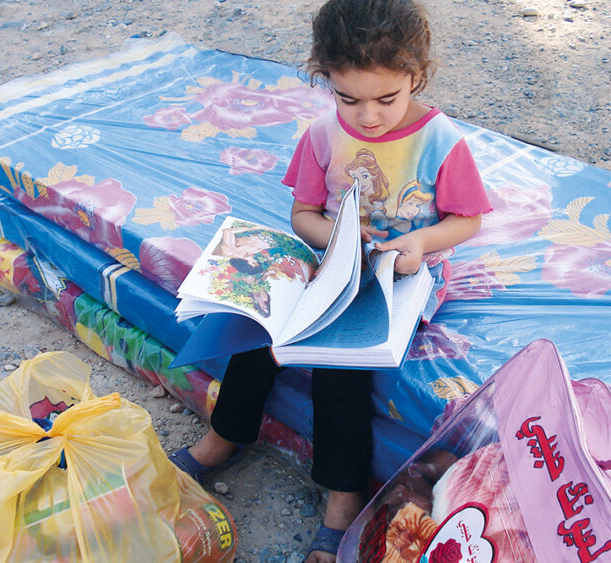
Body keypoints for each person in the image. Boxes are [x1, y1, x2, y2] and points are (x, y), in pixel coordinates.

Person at [169, 0, 492, 560]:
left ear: (416, 75)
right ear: (327, 81)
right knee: (257, 329)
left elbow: (467, 219)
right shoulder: (322, 135)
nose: (368, 117)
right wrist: (336, 245)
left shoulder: (441, 141)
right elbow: (304, 216)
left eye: (387, 99)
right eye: (349, 98)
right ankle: (225, 438)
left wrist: (417, 242)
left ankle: (342, 498)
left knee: (340, 363)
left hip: (402, 278)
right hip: (332, 266)